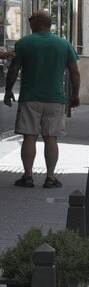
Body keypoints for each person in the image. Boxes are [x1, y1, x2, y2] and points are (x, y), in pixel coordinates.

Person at [3, 10, 80, 189]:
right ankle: (50, 178)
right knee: (51, 138)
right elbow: (74, 72)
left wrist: (8, 90)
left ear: (37, 22)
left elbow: (14, 69)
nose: (29, 22)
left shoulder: (24, 43)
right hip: (55, 98)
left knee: (29, 137)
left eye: (31, 19)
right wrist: (75, 94)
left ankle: (28, 176)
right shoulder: (63, 44)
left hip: (30, 98)